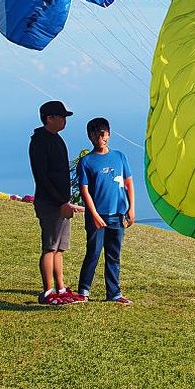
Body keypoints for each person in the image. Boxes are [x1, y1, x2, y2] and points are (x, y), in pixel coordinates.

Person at [29, 100, 85, 305]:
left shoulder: (57, 139)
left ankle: (60, 288)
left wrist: (66, 201)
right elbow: (42, 176)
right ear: (49, 118)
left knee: (60, 248)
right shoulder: (39, 141)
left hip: (63, 203)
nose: (64, 121)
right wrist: (61, 201)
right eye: (61, 117)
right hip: (50, 203)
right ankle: (47, 291)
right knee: (49, 247)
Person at [75, 117, 134, 305]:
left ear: (108, 134)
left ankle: (114, 293)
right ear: (89, 137)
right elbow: (84, 190)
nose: (99, 138)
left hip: (118, 215)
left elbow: (128, 183)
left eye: (102, 134)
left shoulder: (119, 156)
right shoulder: (86, 162)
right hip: (96, 216)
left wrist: (131, 208)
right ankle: (83, 291)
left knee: (113, 255)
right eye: (94, 134)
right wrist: (94, 214)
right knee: (93, 252)